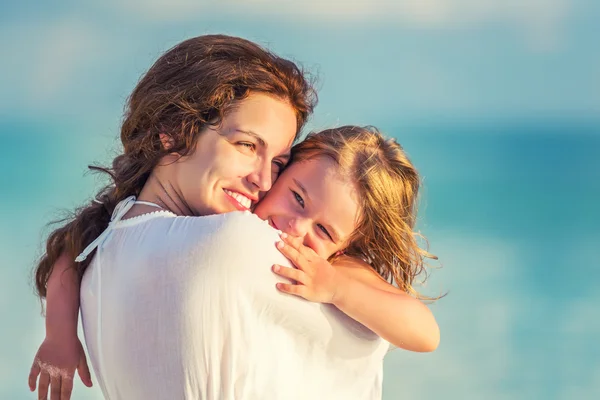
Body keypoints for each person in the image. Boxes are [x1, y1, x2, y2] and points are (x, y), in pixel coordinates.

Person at [28, 36, 439, 400]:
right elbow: (72, 244)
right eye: (246, 145)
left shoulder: (328, 265)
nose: (262, 180)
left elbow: (424, 332)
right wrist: (59, 334)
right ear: (172, 129)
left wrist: (335, 286)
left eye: (277, 161)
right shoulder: (230, 238)